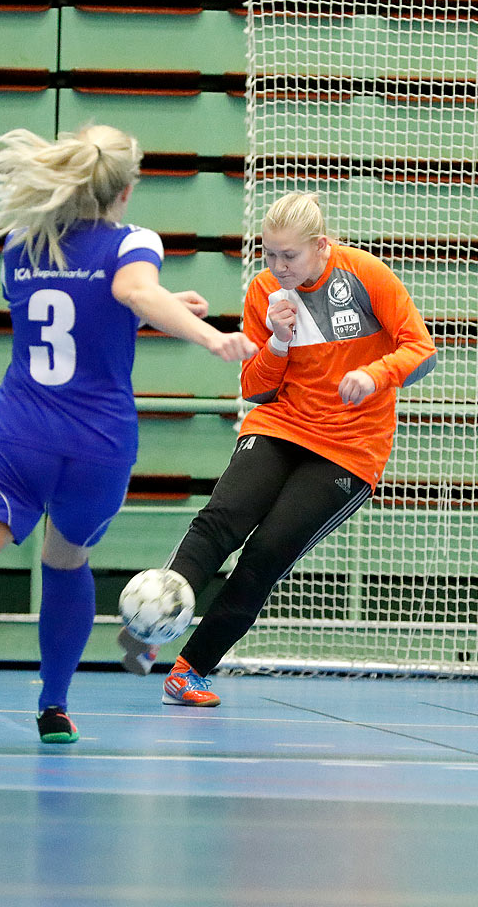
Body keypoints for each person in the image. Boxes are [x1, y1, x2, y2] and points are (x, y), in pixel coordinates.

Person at [0, 124, 256, 743]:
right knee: (65, 561)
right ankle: (54, 705)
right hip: (98, 447)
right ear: (125, 191)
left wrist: (151, 306)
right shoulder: (134, 242)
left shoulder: (22, 245)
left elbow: (74, 319)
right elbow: (125, 291)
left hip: (19, 433)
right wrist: (208, 335)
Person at [119, 191, 437, 706]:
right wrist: (277, 344)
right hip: (281, 424)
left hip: (349, 449)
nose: (277, 266)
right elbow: (255, 387)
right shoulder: (265, 289)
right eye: (269, 254)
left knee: (266, 555)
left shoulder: (366, 275)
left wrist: (374, 374)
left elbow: (420, 349)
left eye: (289, 255)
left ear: (320, 246)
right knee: (221, 520)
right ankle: (153, 619)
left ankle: (189, 670)